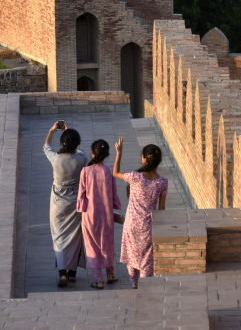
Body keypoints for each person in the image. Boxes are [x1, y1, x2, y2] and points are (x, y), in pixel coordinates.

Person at [112, 139, 167, 289]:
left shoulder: (136, 177)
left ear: (144, 158)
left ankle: (135, 285)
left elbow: (115, 172)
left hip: (131, 225)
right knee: (146, 260)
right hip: (148, 226)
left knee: (132, 256)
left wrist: (119, 153)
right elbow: (161, 209)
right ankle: (145, 286)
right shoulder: (163, 182)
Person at [44, 121, 87, 287]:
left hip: (58, 203)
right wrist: (70, 133)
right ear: (76, 143)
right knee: (76, 236)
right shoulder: (81, 159)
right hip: (77, 202)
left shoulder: (56, 159)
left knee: (59, 236)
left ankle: (62, 273)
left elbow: (46, 147)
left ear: (62, 143)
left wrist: (52, 130)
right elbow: (80, 150)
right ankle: (73, 273)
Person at [77, 140, 122, 289]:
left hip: (90, 216)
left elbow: (81, 195)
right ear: (107, 154)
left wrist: (81, 210)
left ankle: (99, 280)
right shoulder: (110, 171)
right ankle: (110, 274)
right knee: (107, 245)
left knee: (92, 246)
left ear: (93, 153)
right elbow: (114, 194)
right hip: (107, 216)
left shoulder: (86, 171)